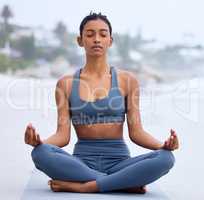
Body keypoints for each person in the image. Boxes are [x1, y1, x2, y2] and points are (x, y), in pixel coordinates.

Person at [24, 12, 179, 194]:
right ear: (80, 41)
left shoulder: (127, 81)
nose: (96, 39)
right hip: (81, 163)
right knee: (40, 155)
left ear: (110, 41)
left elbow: (136, 132)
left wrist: (163, 146)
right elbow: (62, 135)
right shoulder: (65, 84)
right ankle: (121, 183)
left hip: (120, 163)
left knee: (166, 158)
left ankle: (86, 186)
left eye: (103, 34)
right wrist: (40, 144)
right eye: (90, 34)